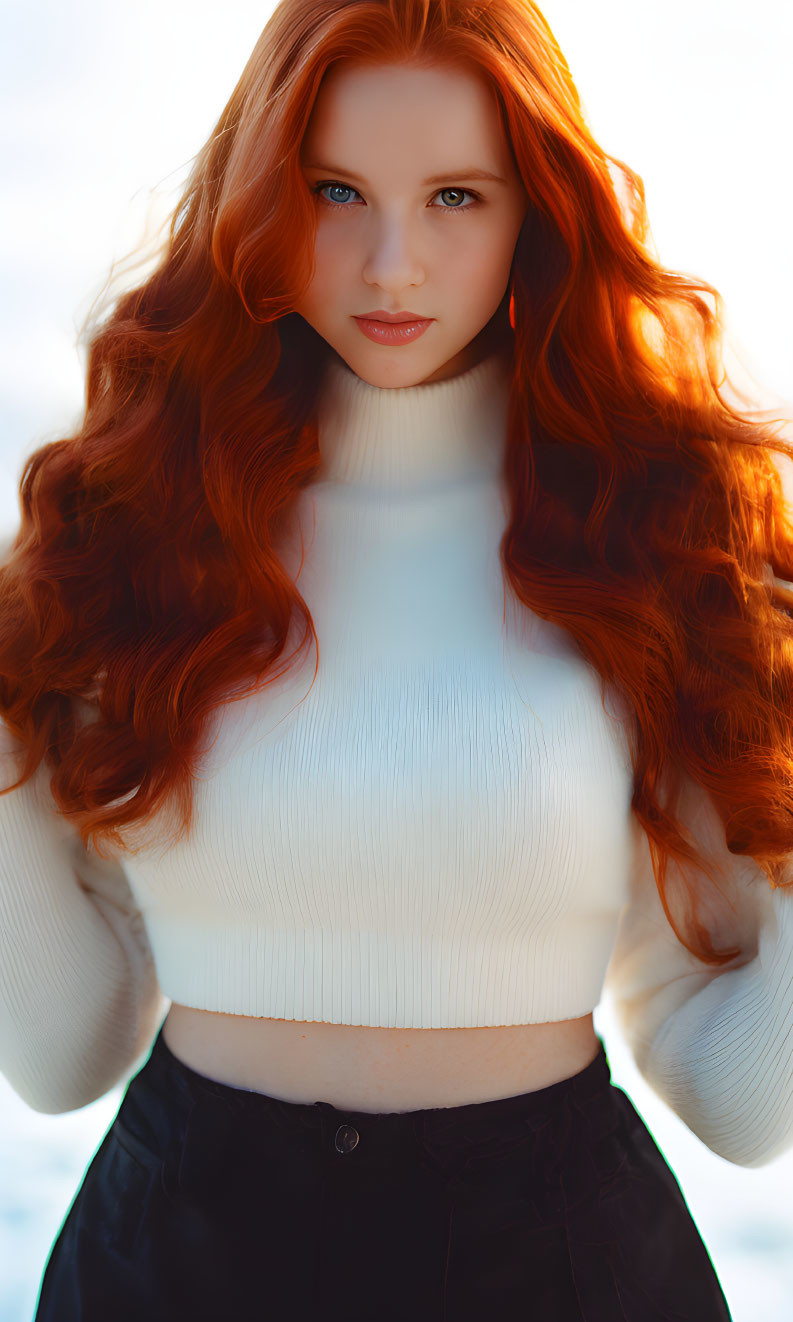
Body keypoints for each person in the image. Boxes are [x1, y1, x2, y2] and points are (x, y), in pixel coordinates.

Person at [1, 0, 792, 1317]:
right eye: (335, 192)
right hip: (177, 1266)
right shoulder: (136, 527)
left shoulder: (647, 535)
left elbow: (742, 1098)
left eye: (455, 199)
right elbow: (61, 1050)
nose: (391, 267)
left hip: (554, 1268)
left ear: (535, 210)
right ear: (260, 193)